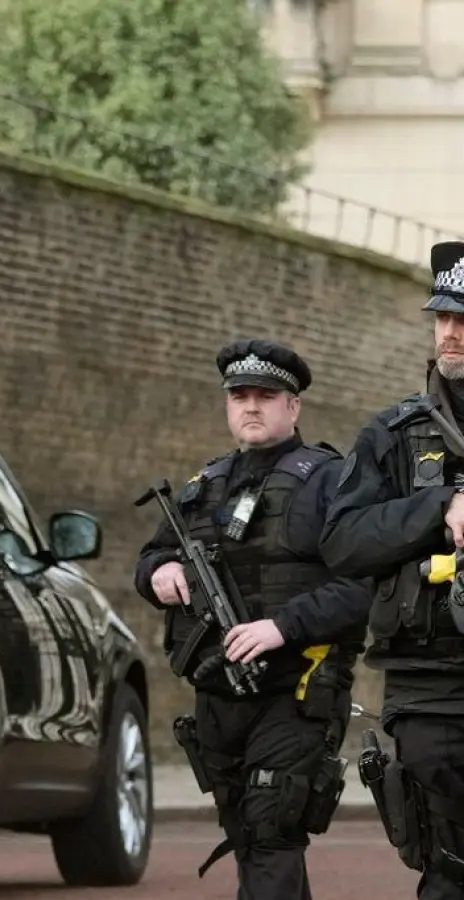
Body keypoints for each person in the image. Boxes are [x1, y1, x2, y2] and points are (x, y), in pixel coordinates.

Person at [135, 338, 373, 900]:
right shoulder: (203, 485)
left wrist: (282, 626)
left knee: (272, 830)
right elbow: (149, 558)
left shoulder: (329, 482)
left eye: (266, 395)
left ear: (293, 407)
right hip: (218, 692)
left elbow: (365, 587)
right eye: (239, 395)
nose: (251, 406)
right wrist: (160, 575)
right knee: (246, 832)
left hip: (297, 689)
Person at [319, 241, 464, 899]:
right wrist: (440, 508)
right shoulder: (396, 434)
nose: (451, 332)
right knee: (447, 873)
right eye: (442, 317)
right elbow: (343, 540)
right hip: (428, 683)